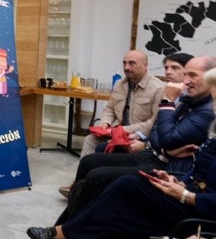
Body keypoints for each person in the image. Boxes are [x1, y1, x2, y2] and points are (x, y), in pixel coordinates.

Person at [27, 67, 216, 239]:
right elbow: (158, 132)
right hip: (178, 178)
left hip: (198, 207)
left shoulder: (197, 109)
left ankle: (63, 233)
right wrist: (181, 182)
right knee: (98, 169)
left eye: (186, 72)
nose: (172, 74)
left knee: (120, 186)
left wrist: (185, 194)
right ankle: (64, 229)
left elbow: (163, 137)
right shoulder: (188, 104)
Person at [79, 50, 165, 157]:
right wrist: (106, 122)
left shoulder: (158, 88)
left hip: (138, 136)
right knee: (90, 140)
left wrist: (124, 130)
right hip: (115, 132)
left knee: (103, 150)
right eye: (124, 63)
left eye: (132, 63)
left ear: (145, 65)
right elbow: (109, 109)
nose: (126, 67)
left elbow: (153, 123)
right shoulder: (119, 84)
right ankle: (84, 172)